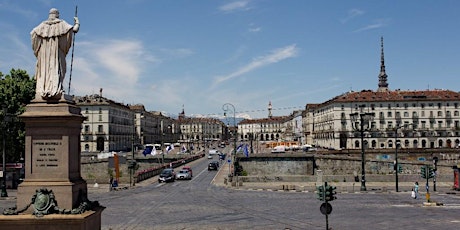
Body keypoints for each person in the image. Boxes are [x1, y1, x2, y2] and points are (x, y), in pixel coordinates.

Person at [31, 8, 80, 100]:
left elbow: (33, 34)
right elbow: (74, 30)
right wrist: (77, 22)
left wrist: (41, 48)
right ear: (57, 14)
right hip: (57, 53)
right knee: (58, 69)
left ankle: (45, 88)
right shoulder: (61, 24)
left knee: (45, 70)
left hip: (44, 55)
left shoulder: (41, 26)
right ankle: (55, 89)